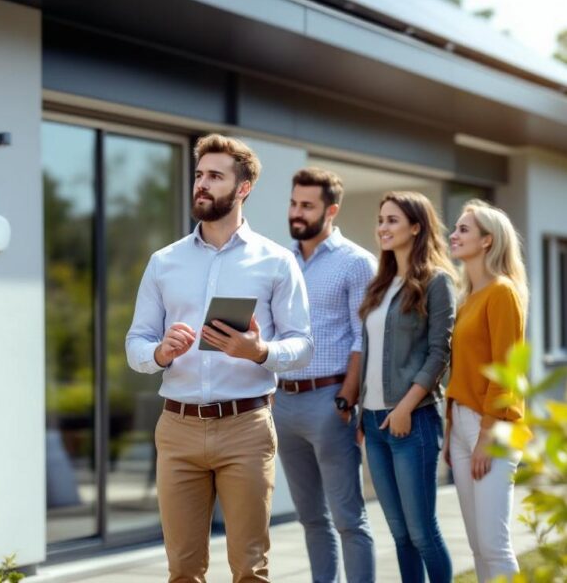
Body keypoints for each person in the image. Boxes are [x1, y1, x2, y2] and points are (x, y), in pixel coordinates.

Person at [126, 134, 314, 583]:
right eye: (198, 175)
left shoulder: (275, 261)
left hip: (245, 428)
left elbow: (303, 344)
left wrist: (260, 351)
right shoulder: (164, 262)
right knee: (183, 570)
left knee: (250, 568)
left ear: (243, 188)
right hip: (177, 430)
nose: (202, 185)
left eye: (215, 176)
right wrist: (158, 351)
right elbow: (136, 342)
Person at [273, 167, 376, 583]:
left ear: (331, 210)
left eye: (307, 206)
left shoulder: (356, 263)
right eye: (294, 203)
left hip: (330, 399)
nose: (297, 213)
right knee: (311, 519)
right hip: (283, 402)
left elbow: (361, 338)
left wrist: (345, 401)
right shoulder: (282, 260)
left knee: (348, 519)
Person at [358, 191, 456, 583]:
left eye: (393, 220)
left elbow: (439, 353)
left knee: (422, 532)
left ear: (416, 227)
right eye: (381, 219)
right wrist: (365, 413)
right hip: (375, 422)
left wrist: (404, 407)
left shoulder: (437, 282)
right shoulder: (380, 286)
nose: (383, 227)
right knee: (399, 535)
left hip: (412, 422)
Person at [444, 199, 529, 582]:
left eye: (464, 229)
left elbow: (507, 369)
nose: (454, 234)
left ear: (487, 241)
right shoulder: (467, 299)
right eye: (456, 228)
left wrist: (486, 436)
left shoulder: (502, 292)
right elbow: (461, 371)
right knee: (477, 545)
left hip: (492, 429)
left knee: (495, 545)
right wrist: (452, 432)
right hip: (463, 424)